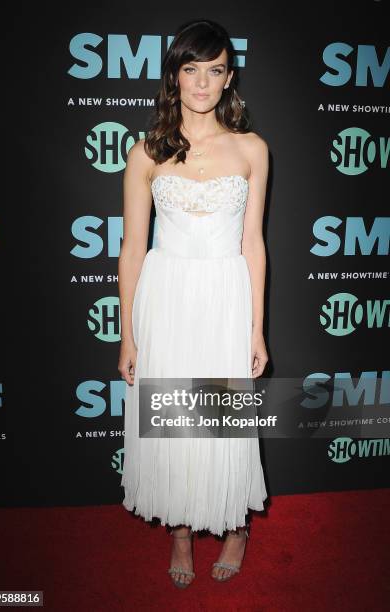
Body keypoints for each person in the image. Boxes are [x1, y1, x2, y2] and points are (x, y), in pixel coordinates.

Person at [118, 18, 269, 588]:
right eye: (191, 70)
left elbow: (253, 243)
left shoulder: (253, 150)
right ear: (174, 77)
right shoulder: (146, 152)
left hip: (225, 293)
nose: (202, 83)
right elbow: (132, 249)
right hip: (168, 295)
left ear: (229, 78)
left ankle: (235, 525)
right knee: (172, 418)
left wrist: (256, 330)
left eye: (215, 71)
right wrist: (129, 335)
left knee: (225, 419)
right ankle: (180, 531)